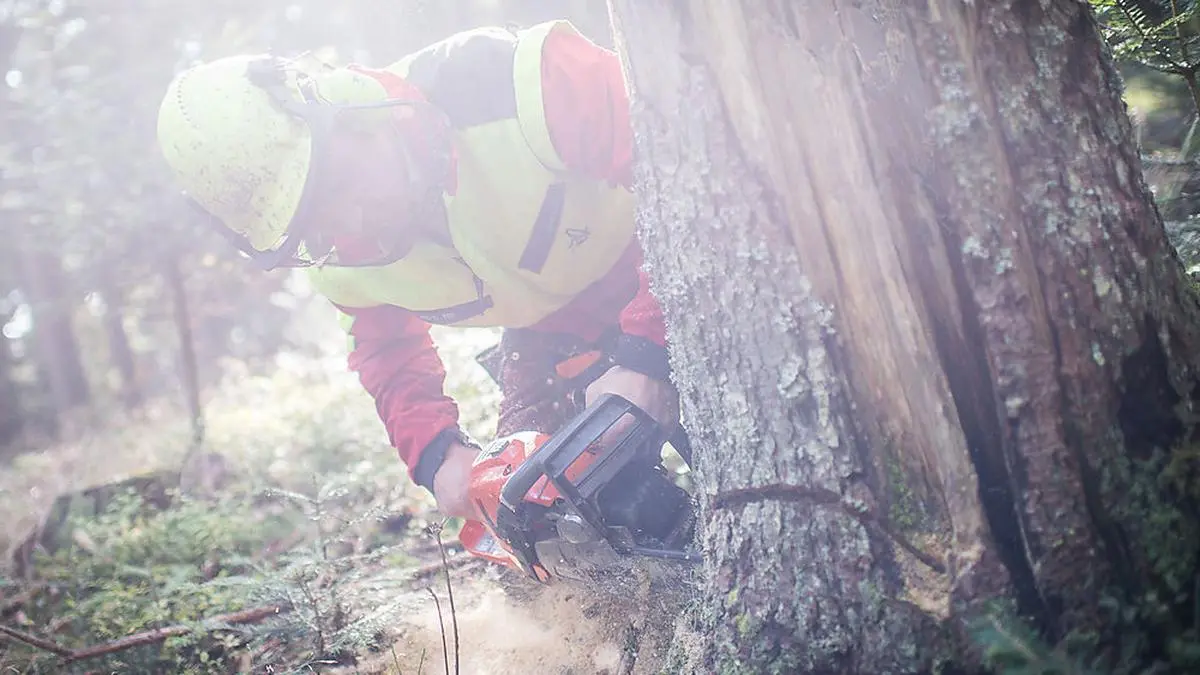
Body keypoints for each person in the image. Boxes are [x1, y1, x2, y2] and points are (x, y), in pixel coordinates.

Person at [154, 19, 681, 519]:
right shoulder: (339, 255)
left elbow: (689, 172)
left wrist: (647, 352)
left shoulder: (517, 82)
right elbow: (387, 352)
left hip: (664, 271)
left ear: (351, 113)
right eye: (314, 223)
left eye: (335, 184)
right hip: (551, 334)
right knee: (533, 511)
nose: (349, 221)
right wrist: (438, 453)